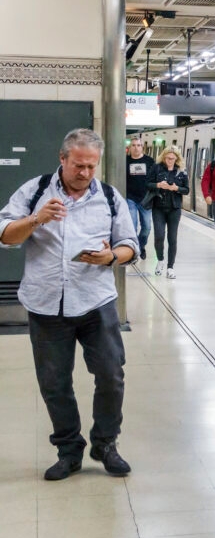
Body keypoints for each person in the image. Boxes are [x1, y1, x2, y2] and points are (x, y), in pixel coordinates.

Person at [0, 128, 138, 481]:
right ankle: (68, 450)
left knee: (111, 375)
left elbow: (130, 245)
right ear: (62, 159)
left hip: (96, 302)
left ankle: (105, 444)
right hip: (46, 304)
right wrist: (36, 219)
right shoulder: (34, 191)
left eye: (92, 166)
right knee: (54, 383)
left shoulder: (109, 197)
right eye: (78, 165)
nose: (85, 172)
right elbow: (5, 235)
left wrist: (111, 257)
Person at [146, 146, 189, 279]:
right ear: (163, 157)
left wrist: (176, 188)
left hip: (174, 209)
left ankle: (170, 267)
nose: (169, 160)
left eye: (172, 158)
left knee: (172, 238)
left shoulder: (181, 171)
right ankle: (160, 260)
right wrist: (158, 185)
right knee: (159, 236)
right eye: (167, 158)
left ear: (177, 158)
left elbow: (186, 190)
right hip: (158, 207)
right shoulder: (156, 168)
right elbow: (147, 183)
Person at [125, 137, 154, 260]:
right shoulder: (125, 161)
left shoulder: (149, 161)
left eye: (138, 145)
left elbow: (154, 178)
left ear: (142, 147)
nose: (136, 148)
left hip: (145, 199)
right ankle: (135, 250)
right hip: (130, 198)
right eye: (133, 145)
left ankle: (141, 246)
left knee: (146, 227)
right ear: (130, 147)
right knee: (132, 226)